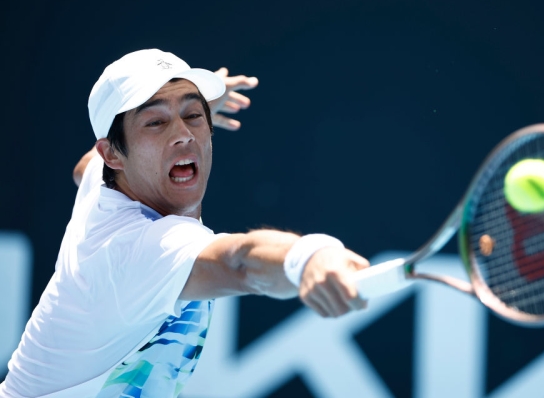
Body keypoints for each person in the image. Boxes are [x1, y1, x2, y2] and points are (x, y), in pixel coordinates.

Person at [0, 49, 369, 397]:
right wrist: (307, 256)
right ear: (112, 153)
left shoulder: (107, 177)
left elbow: (85, 169)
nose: (184, 134)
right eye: (156, 121)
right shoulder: (137, 250)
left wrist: (181, 115)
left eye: (194, 116)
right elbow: (237, 262)